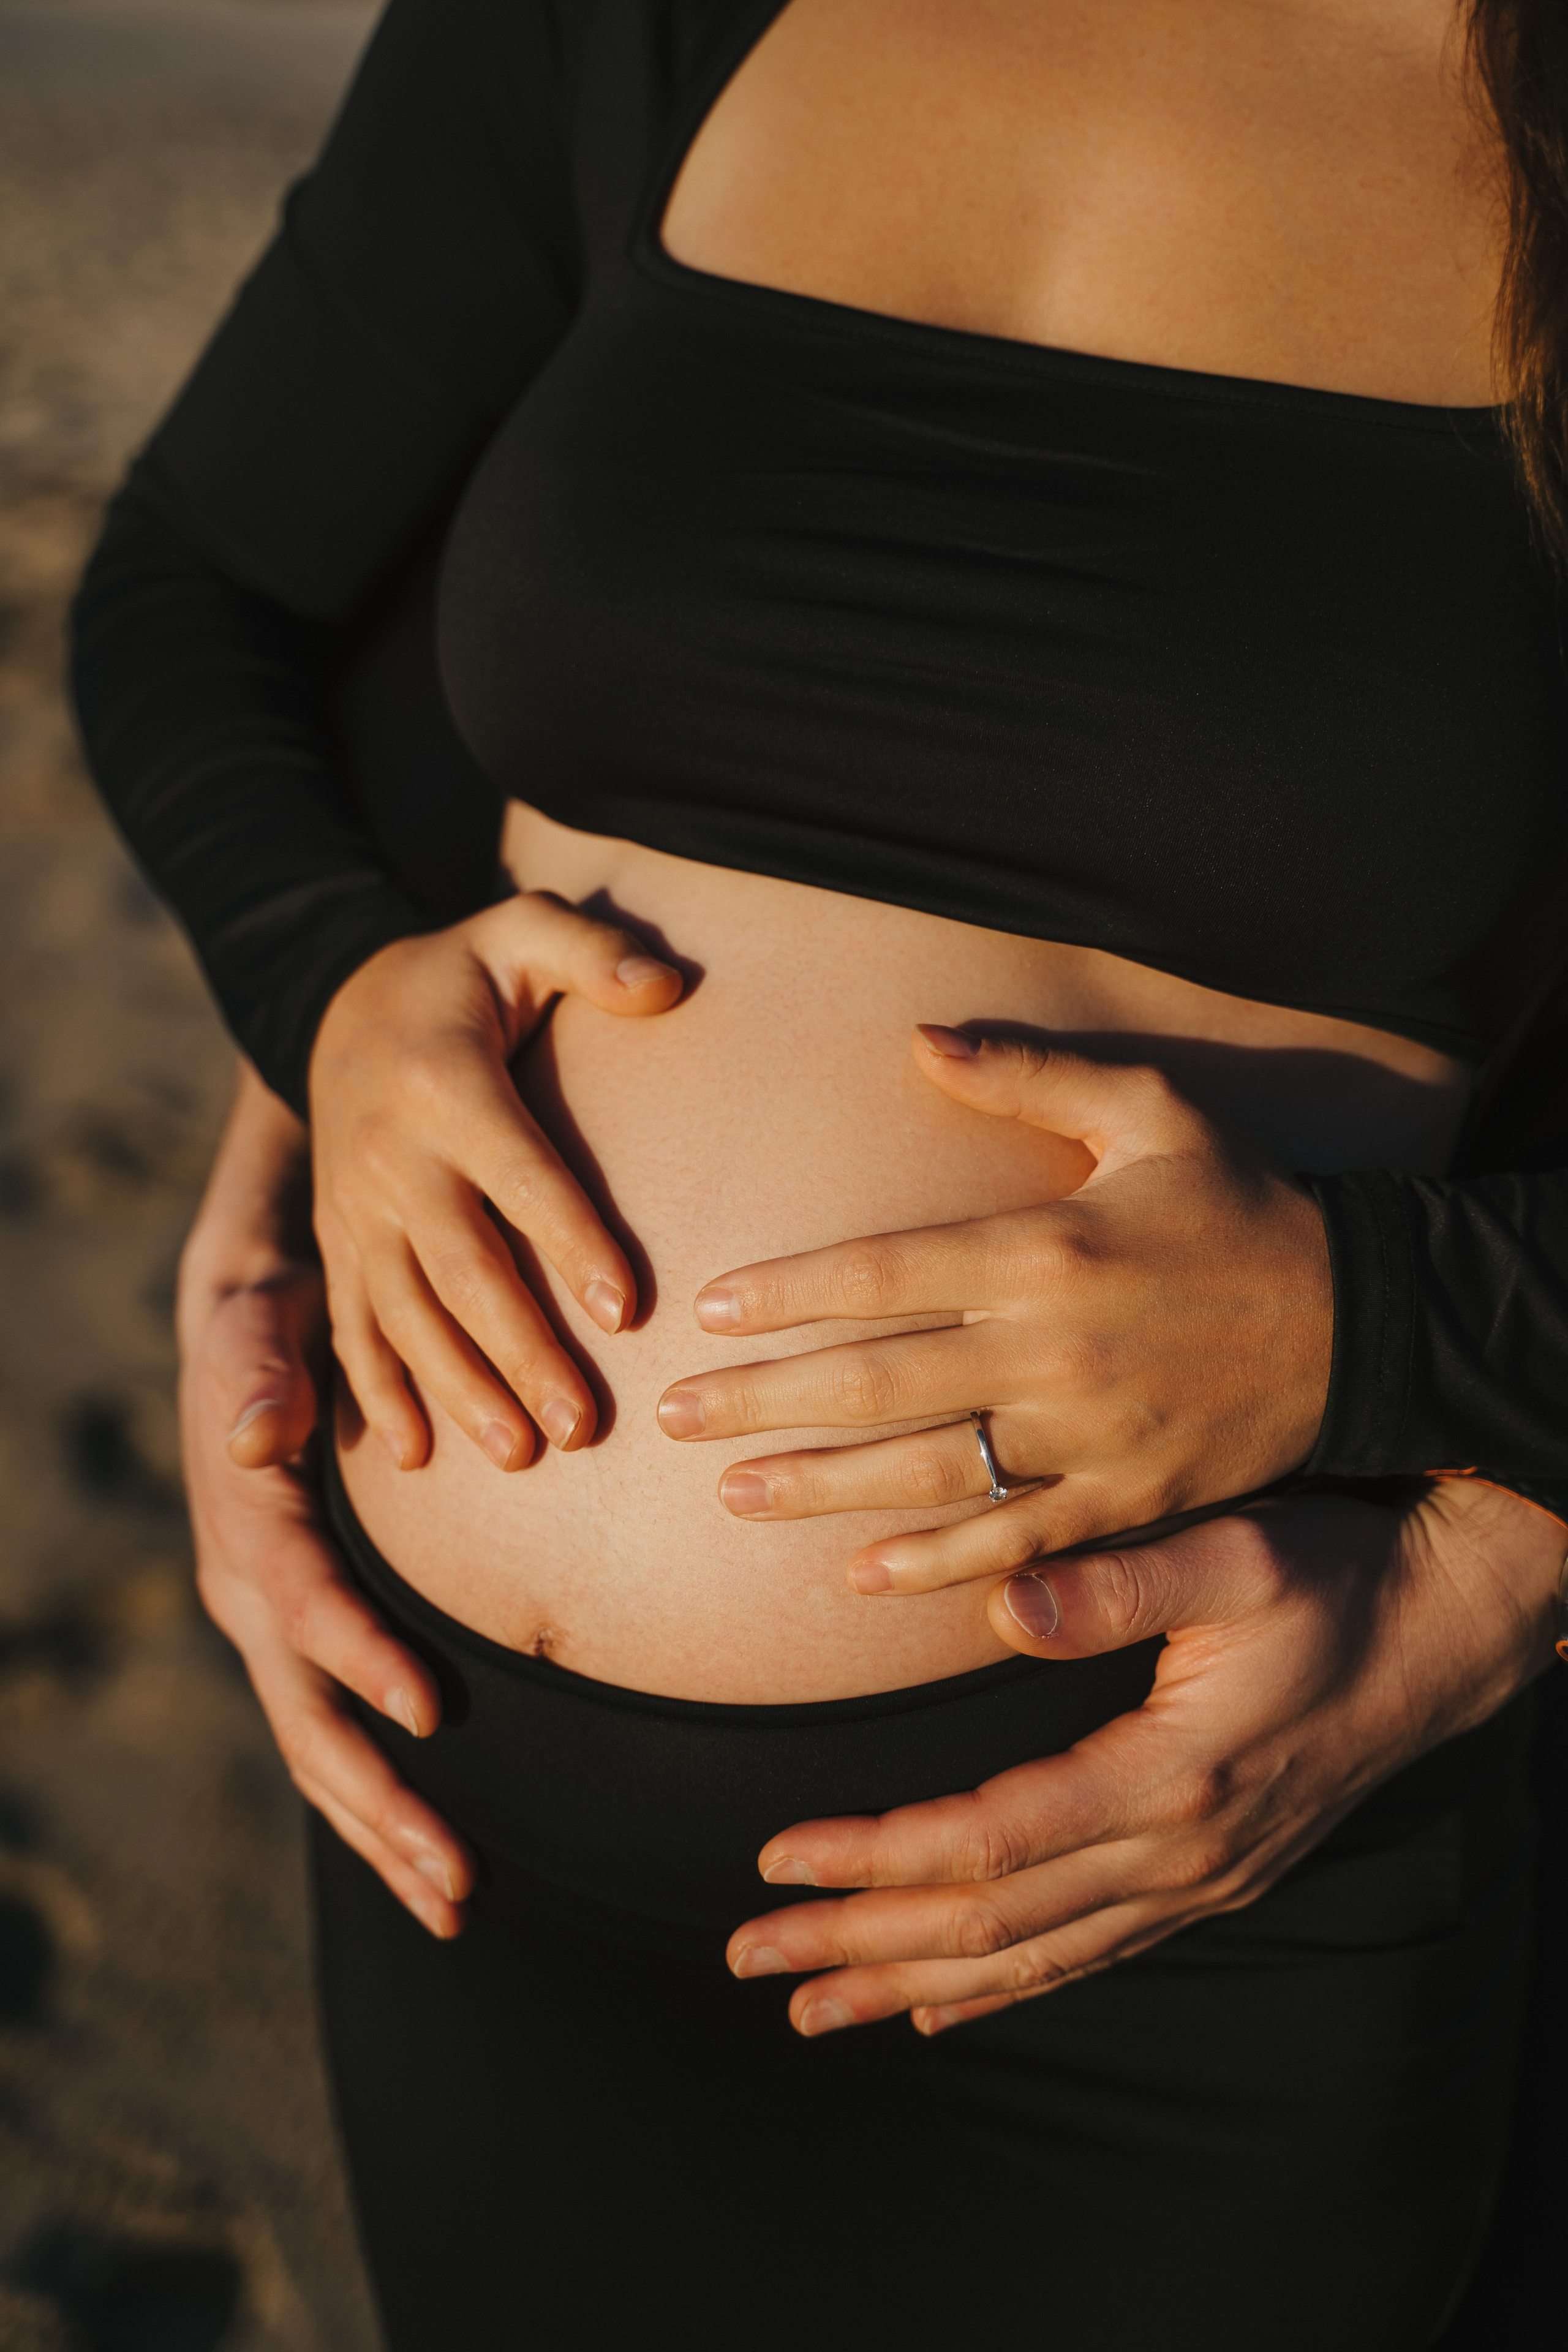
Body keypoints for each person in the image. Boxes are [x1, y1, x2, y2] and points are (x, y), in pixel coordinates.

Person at [70, 2, 1568, 2344]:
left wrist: (1427, 1406)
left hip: (1186, 1885)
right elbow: (205, 585)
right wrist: (325, 998)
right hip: (463, 1846)